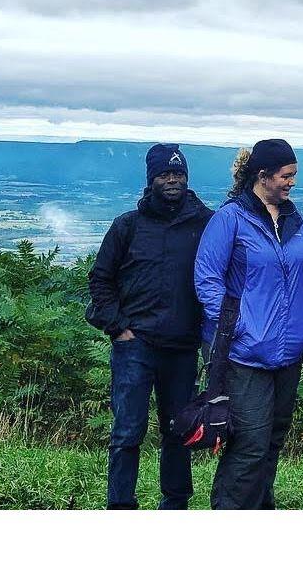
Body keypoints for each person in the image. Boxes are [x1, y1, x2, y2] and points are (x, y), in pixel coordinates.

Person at [193, 138, 303, 509]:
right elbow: (207, 280)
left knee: (272, 440)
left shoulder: (296, 220)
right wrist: (237, 329)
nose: (292, 183)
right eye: (286, 176)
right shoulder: (231, 219)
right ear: (262, 176)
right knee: (249, 444)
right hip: (244, 353)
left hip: (290, 350)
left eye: (293, 176)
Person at [85, 143, 213, 509]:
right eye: (165, 174)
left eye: (178, 174)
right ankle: (121, 506)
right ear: (151, 179)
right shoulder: (128, 226)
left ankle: (175, 504)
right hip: (135, 345)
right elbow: (100, 280)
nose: (172, 180)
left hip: (182, 346)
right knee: (127, 431)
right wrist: (119, 328)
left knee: (179, 430)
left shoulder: (205, 223)